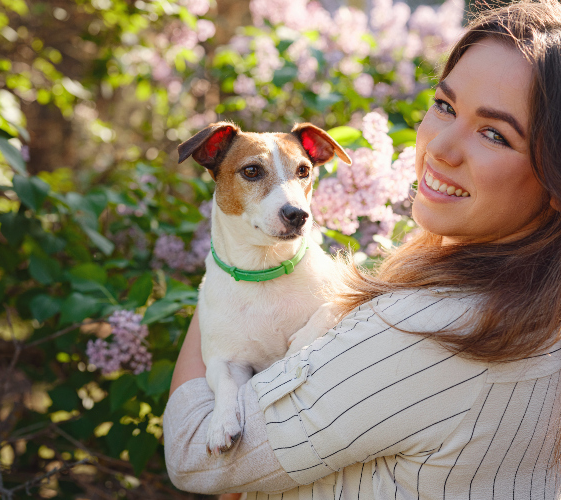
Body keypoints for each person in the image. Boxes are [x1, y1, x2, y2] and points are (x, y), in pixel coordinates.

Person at [162, 1, 561, 498]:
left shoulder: (421, 333)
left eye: (494, 133)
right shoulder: (538, 316)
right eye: (444, 105)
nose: (439, 148)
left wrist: (224, 274)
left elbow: (192, 453)